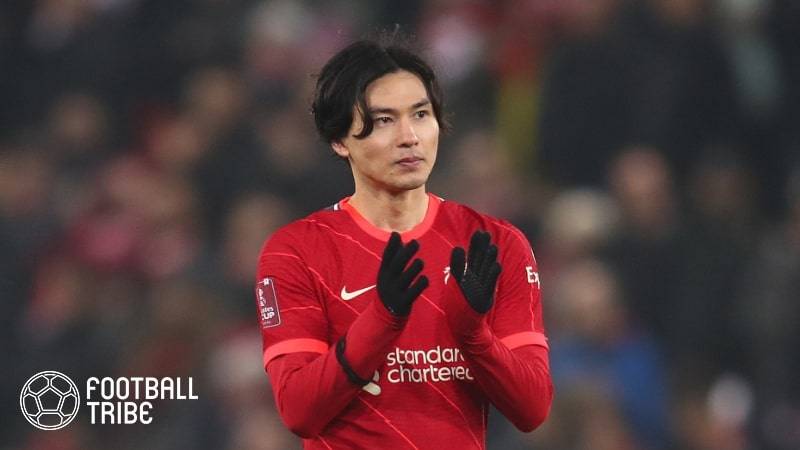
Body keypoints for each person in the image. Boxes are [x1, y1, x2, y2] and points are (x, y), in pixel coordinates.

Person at [254, 36, 553, 449]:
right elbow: (299, 410)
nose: (409, 136)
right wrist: (383, 319)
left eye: (421, 114)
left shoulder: (495, 244)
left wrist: (473, 334)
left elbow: (533, 409)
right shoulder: (297, 251)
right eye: (383, 121)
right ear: (339, 139)